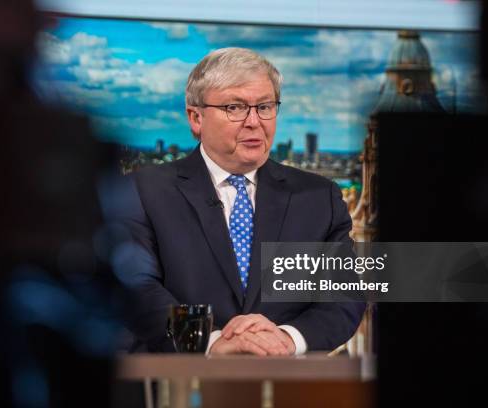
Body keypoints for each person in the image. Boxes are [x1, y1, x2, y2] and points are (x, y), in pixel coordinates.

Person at [121, 47, 365, 355]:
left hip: (287, 388)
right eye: (235, 107)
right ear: (196, 118)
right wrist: (211, 341)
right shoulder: (142, 192)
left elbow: (345, 295)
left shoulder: (319, 198)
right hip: (178, 387)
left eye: (264, 106)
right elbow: (137, 290)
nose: (253, 121)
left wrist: (287, 339)